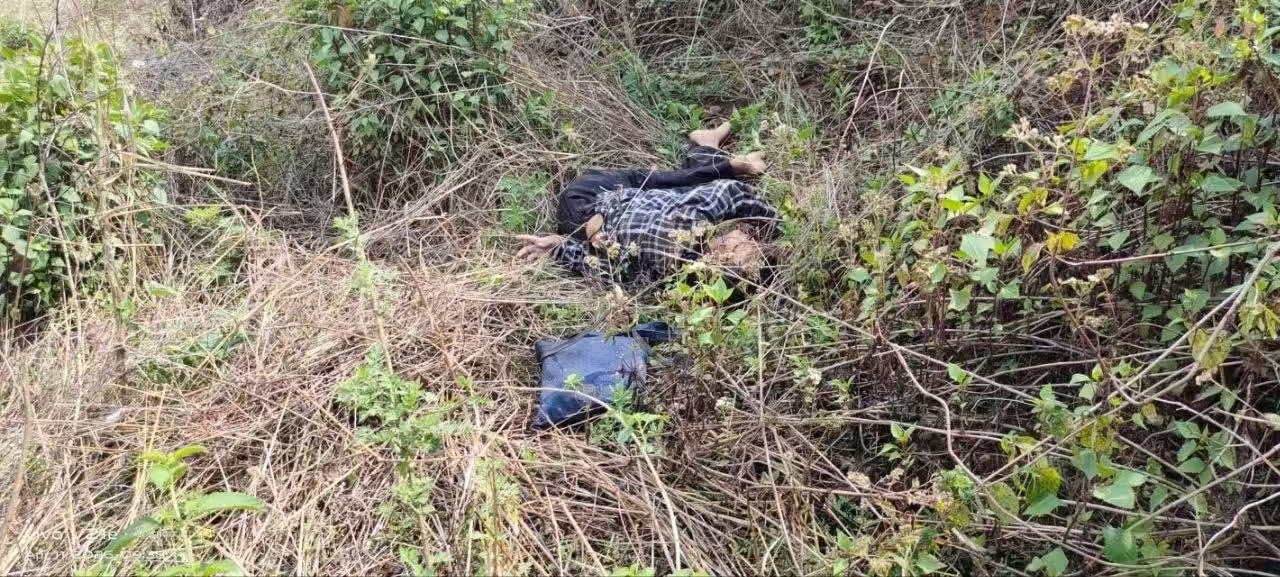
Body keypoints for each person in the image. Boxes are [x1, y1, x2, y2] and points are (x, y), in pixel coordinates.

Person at [516, 121, 778, 286]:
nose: (728, 249)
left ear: (716, 265)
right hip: (605, 191)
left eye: (729, 259)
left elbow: (604, 269)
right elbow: (732, 192)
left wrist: (557, 247)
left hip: (583, 206)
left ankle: (706, 144)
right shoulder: (703, 215)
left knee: (584, 221)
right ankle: (716, 152)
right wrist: (773, 225)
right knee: (672, 183)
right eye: (744, 245)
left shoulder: (670, 269)